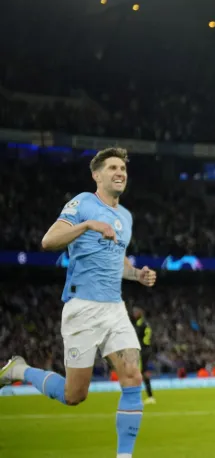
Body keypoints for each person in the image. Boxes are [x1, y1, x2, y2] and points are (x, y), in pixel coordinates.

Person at [0, 147, 157, 458]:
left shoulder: (124, 216)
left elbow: (117, 262)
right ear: (96, 175)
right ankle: (19, 370)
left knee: (132, 377)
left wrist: (137, 274)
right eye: (112, 167)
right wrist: (86, 226)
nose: (119, 172)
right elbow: (48, 241)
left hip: (114, 308)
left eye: (123, 168)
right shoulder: (83, 203)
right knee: (74, 395)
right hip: (82, 307)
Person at [130, 306, 156, 404]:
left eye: (135, 312)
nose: (134, 314)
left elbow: (145, 338)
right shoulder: (141, 323)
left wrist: (141, 346)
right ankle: (150, 396)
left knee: (138, 372)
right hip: (143, 350)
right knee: (143, 372)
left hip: (142, 350)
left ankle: (137, 397)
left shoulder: (141, 324)